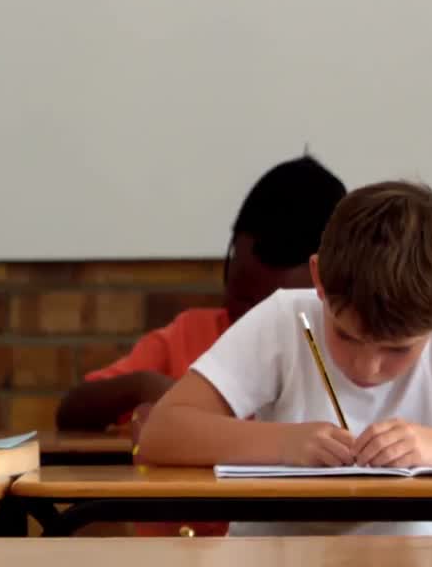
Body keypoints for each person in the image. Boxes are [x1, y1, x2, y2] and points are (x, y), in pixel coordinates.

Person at [140, 180, 432, 536]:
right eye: (345, 335)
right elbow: (161, 433)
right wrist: (284, 443)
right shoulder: (284, 317)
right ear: (319, 279)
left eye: (397, 349)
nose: (367, 367)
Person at [57, 155, 346, 432]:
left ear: (320, 286)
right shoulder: (191, 334)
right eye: (241, 299)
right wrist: (143, 386)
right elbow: (70, 410)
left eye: (270, 308)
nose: (251, 322)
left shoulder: (349, 355)